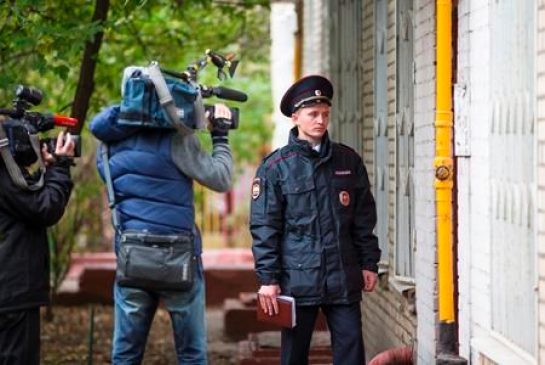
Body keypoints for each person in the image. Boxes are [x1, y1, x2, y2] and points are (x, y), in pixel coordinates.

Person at [89, 98, 233, 364]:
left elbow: (113, 182)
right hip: (178, 260)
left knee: (125, 354)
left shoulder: (107, 142)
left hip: (133, 257)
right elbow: (221, 179)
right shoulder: (178, 139)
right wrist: (220, 135)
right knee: (191, 354)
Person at [250, 75, 381, 365]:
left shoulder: (348, 161)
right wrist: (268, 279)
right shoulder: (276, 167)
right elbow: (265, 228)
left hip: (343, 275)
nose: (320, 121)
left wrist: (369, 262)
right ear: (296, 117)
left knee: (351, 352)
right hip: (297, 278)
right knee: (294, 356)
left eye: (325, 114)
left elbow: (363, 218)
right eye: (313, 114)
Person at [0, 128, 75, 364]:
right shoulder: (4, 175)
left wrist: (46, 171)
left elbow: (20, 202)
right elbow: (44, 208)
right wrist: (60, 167)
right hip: (11, 293)